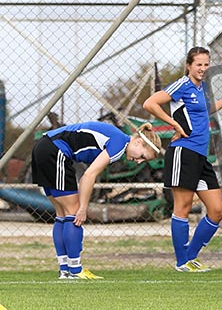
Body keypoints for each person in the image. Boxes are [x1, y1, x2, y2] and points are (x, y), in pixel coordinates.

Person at [143, 46, 222, 273]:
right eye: (199, 64)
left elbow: (205, 112)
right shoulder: (182, 85)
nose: (203, 69)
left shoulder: (202, 88)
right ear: (189, 65)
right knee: (183, 207)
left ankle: (190, 257)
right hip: (183, 153)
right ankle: (182, 262)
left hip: (200, 156)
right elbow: (150, 103)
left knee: (217, 210)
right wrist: (174, 124)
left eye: (206, 65)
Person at [31, 120, 162, 279]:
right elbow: (89, 175)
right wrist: (83, 208)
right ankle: (75, 270)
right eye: (142, 156)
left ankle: (65, 270)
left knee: (62, 214)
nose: (139, 161)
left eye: (144, 161)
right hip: (55, 151)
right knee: (74, 215)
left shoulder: (118, 140)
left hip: (43, 147)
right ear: (139, 142)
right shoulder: (120, 143)